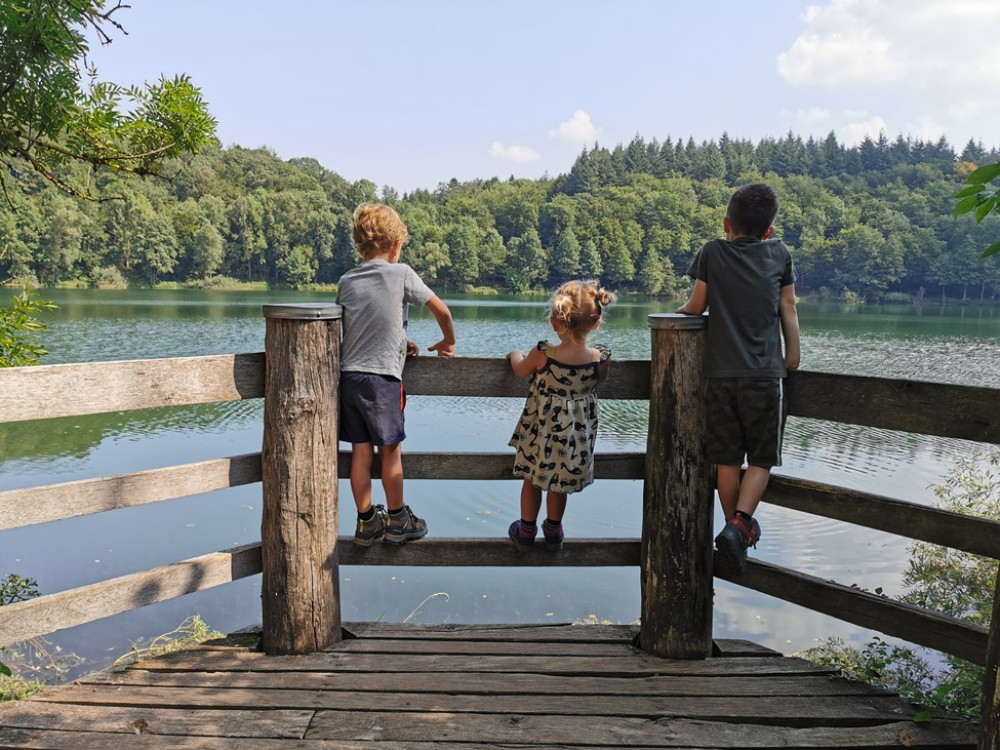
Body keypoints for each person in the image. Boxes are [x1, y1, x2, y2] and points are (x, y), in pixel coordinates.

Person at [676, 182, 801, 575]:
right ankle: (739, 526)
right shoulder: (780, 253)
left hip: (721, 375)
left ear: (726, 223)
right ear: (769, 230)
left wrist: (672, 313)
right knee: (762, 458)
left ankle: (735, 526)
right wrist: (792, 353)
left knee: (727, 460)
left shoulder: (713, 251)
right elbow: (788, 305)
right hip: (765, 375)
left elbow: (697, 306)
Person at [337, 203, 456, 546]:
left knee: (361, 453)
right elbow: (442, 310)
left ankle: (366, 522)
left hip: (349, 380)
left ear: (360, 244)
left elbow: (362, 325)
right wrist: (448, 341)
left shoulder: (347, 281)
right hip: (382, 382)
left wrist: (402, 341)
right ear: (396, 244)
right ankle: (398, 518)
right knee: (390, 452)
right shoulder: (401, 273)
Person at [506, 279, 615, 551]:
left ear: (555, 322)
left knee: (532, 479)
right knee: (560, 482)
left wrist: (513, 354)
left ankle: (526, 531)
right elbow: (600, 380)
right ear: (596, 322)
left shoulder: (544, 354)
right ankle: (554, 531)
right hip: (574, 437)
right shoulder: (599, 358)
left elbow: (520, 370)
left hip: (541, 432)